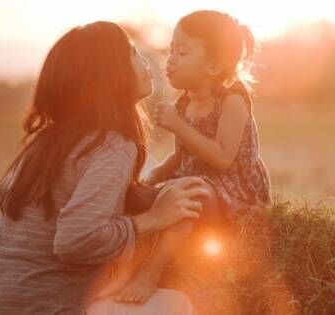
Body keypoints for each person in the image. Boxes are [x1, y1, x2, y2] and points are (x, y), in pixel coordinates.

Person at [0, 21, 205, 315]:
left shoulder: (43, 143)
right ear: (111, 75)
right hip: (36, 309)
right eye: (133, 53)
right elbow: (75, 240)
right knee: (176, 305)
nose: (146, 61)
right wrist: (152, 219)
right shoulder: (113, 145)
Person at [113, 10, 272, 304]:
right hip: (195, 181)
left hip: (233, 194)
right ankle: (116, 265)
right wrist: (157, 174)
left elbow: (223, 158)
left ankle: (152, 270)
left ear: (212, 66)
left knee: (189, 193)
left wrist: (178, 126)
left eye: (182, 52)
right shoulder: (184, 101)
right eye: (171, 49)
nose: (170, 59)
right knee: (139, 196)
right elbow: (182, 154)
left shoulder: (233, 101)